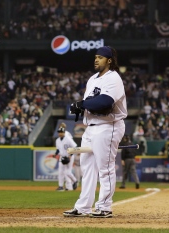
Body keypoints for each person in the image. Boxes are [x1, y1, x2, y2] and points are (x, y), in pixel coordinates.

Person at [63, 46, 127, 218]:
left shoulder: (113, 78)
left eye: (100, 57)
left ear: (109, 60)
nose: (96, 60)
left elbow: (104, 102)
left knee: (105, 168)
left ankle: (105, 207)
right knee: (87, 168)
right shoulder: (92, 79)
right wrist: (81, 106)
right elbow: (90, 101)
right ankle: (83, 207)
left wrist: (82, 104)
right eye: (95, 57)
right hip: (91, 127)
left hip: (109, 125)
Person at [53, 126, 78, 191]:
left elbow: (75, 146)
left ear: (64, 132)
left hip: (69, 156)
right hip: (62, 157)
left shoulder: (68, 139)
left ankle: (75, 181)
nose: (60, 133)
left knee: (68, 172)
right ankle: (60, 186)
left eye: (61, 132)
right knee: (60, 172)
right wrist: (55, 154)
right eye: (59, 132)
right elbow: (58, 149)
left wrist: (70, 155)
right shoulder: (57, 140)